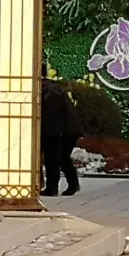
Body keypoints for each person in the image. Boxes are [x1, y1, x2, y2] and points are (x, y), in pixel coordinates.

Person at [40, 69, 83, 197]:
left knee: (53, 158)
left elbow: (49, 113)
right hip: (67, 128)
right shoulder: (53, 87)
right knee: (61, 158)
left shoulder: (45, 89)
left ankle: (53, 188)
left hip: (57, 129)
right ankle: (72, 184)